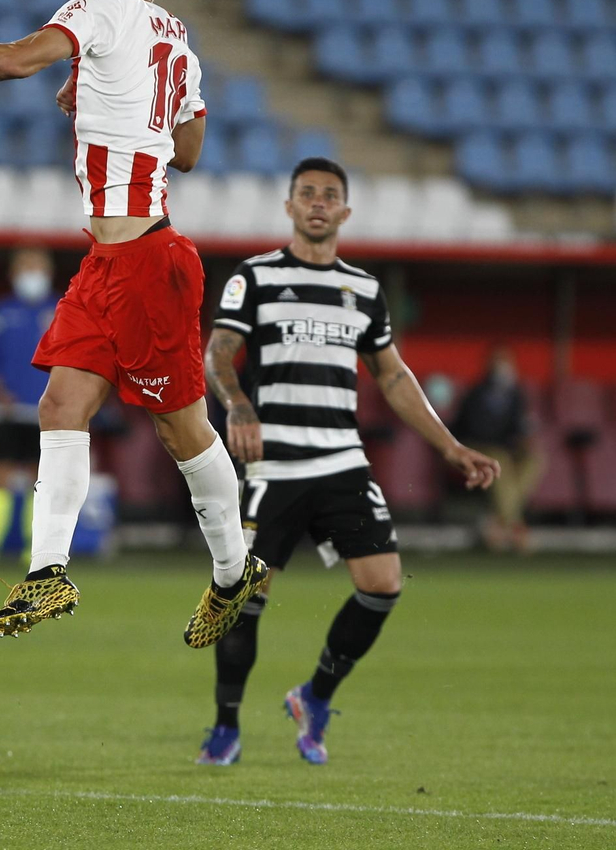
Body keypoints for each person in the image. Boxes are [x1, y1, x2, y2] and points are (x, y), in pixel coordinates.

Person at [0, 0, 267, 645]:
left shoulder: (97, 9)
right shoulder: (178, 40)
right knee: (60, 403)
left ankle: (234, 571)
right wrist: (102, 91)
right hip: (106, 262)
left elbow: (14, 60)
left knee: (182, 429)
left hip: (149, 262)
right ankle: (47, 571)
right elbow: (188, 149)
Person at [198, 158, 501, 765]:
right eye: (306, 193)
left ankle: (315, 697)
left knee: (384, 584)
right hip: (274, 465)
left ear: (344, 212)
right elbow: (218, 355)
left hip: (341, 461)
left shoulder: (363, 290)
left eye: (329, 195)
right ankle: (226, 724)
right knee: (243, 594)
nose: (317, 202)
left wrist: (450, 445)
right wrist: (237, 407)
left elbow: (392, 378)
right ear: (288, 207)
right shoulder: (254, 278)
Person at [0, 247, 59, 571]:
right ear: (14, 273)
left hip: (46, 410)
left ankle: (35, 554)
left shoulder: (61, 309)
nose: (31, 273)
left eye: (36, 265)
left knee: (42, 480)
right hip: (6, 410)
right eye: (25, 266)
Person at [453, 344, 544, 554]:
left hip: (505, 449)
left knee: (534, 458)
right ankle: (516, 527)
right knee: (499, 460)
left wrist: (522, 441)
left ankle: (500, 522)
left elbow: (519, 427)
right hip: (477, 448)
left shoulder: (515, 395)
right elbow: (470, 429)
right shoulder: (476, 392)